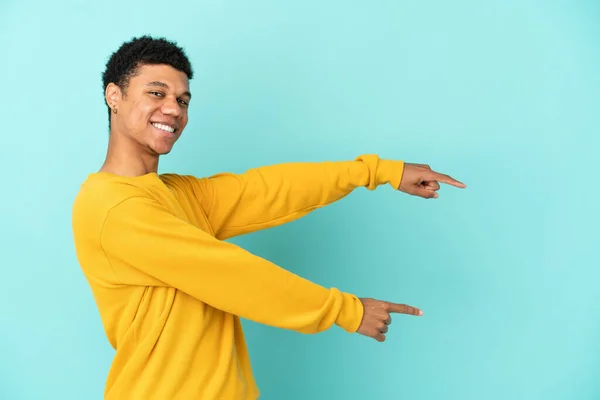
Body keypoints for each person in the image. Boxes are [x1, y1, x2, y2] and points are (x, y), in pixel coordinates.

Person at [71, 35, 466, 399]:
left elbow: (268, 189)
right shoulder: (113, 207)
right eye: (156, 93)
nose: (173, 109)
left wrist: (380, 172)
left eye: (183, 100)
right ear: (114, 96)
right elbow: (228, 273)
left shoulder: (175, 193)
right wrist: (346, 311)